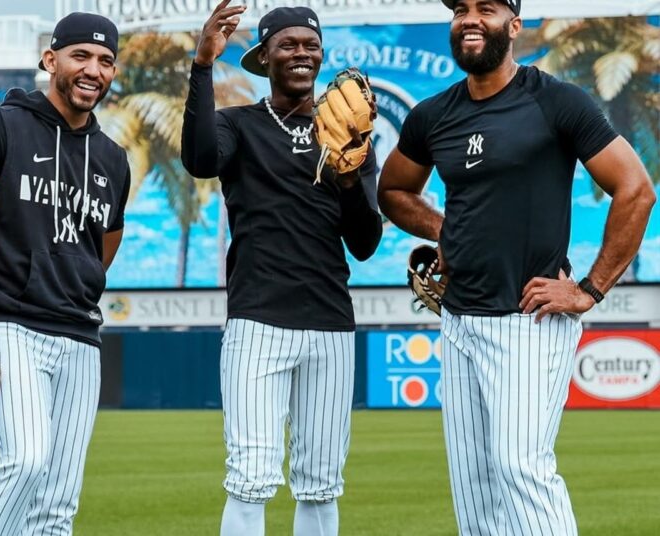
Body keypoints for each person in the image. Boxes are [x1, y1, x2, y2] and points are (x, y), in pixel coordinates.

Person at [378, 0, 655, 534]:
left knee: (521, 470)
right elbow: (393, 190)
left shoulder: (555, 101)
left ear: (514, 24)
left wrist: (589, 291)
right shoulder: (433, 115)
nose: (470, 19)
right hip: (459, 323)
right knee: (475, 489)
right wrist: (445, 232)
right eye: (460, 9)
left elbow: (636, 190)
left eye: (487, 8)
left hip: (527, 321)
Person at [182, 2, 383, 535]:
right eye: (288, 45)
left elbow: (364, 244)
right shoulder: (239, 125)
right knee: (250, 477)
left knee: (321, 481)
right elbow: (201, 160)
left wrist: (349, 177)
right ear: (264, 55)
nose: (301, 53)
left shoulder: (350, 131)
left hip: (329, 325)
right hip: (257, 323)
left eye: (310, 45)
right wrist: (202, 67)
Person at [0, 12, 131, 535]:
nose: (94, 69)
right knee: (24, 461)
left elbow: (101, 252)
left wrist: (72, 281)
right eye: (81, 56)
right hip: (9, 322)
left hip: (79, 335)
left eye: (106, 60)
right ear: (51, 60)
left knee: (58, 503)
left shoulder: (113, 160)